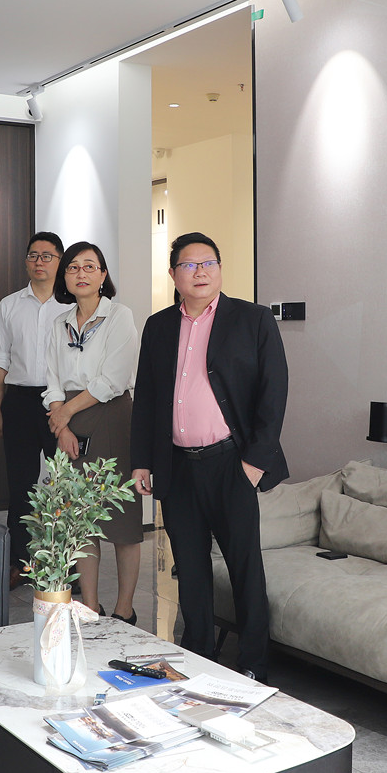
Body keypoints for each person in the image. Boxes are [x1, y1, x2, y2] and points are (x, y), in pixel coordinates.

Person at [130, 232, 288, 680]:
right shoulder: (159, 326)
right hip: (177, 465)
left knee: (244, 567)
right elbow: (147, 398)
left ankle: (253, 664)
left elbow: (273, 393)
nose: (200, 272)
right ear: (173, 274)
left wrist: (254, 463)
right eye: (189, 265)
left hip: (232, 464)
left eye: (208, 263)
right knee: (191, 568)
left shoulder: (253, 320)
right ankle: (197, 653)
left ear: (219, 269)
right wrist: (142, 459)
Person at [42, 241, 140, 621]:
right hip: (68, 420)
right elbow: (51, 379)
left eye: (89, 266)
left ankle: (124, 610)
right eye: (73, 267)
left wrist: (64, 413)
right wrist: (61, 423)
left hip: (111, 417)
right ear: (65, 277)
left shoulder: (119, 316)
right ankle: (89, 606)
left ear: (102, 275)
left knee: (122, 521)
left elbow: (112, 379)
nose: (80, 273)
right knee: (81, 521)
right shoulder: (59, 322)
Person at [0, 231, 70, 588]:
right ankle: (19, 563)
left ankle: (62, 563)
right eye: (33, 255)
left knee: (63, 485)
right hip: (18, 401)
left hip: (60, 403)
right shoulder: (10, 305)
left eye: (47, 256)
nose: (39, 262)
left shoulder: (71, 305)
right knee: (20, 485)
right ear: (26, 262)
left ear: (60, 261)